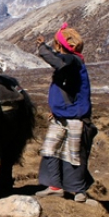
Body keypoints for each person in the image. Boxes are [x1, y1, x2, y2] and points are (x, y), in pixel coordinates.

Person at [33, 23, 97, 202]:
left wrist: (42, 48)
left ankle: (79, 190)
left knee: (74, 153)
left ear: (60, 45)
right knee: (51, 149)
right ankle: (54, 186)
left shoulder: (72, 60)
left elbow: (57, 61)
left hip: (75, 117)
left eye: (56, 44)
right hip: (62, 115)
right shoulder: (73, 62)